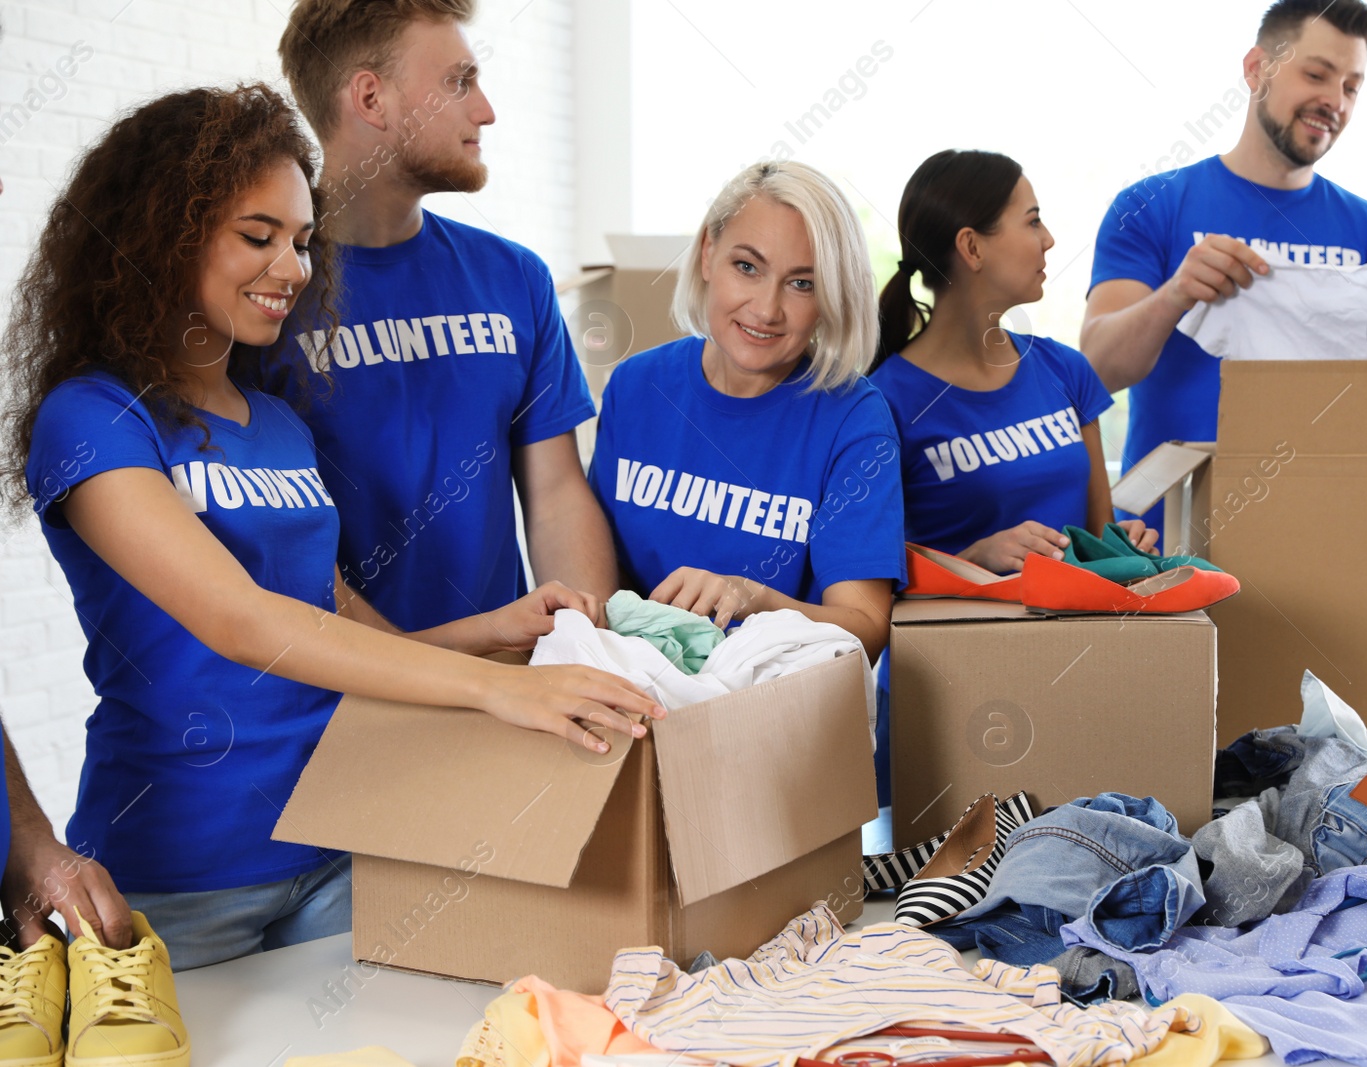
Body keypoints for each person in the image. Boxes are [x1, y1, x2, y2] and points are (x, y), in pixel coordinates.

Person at [0, 83, 662, 970]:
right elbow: (244, 621)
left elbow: (341, 624)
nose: (293, 269)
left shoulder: (276, 421)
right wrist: (496, 689)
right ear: (163, 233)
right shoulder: (93, 420)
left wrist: (494, 635)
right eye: (258, 236)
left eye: (304, 241)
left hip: (345, 840)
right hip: (182, 873)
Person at [270, 0, 613, 633]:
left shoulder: (514, 278)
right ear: (371, 99)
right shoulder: (267, 296)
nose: (485, 110)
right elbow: (269, 548)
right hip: (340, 701)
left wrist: (590, 648)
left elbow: (557, 494)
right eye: (458, 82)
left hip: (507, 689)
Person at [1080, 0, 1367, 531]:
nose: (1334, 101)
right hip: (1166, 539)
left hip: (1324, 531)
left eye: (1351, 86)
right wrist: (1175, 295)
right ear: (1257, 69)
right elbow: (1096, 369)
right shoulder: (1151, 205)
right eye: (1316, 74)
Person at [587, 161, 905, 661]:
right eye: (748, 267)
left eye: (802, 283)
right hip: (631, 691)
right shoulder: (636, 387)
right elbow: (600, 579)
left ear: (831, 297)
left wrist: (754, 600)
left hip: (773, 709)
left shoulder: (854, 419)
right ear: (708, 254)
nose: (766, 309)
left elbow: (865, 625)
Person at [872, 149, 1154, 578]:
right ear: (971, 247)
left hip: (1081, 636)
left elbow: (1100, 536)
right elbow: (867, 588)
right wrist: (973, 560)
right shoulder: (883, 403)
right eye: (1033, 220)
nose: (1049, 239)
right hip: (960, 644)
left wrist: (1122, 543)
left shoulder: (1066, 371)